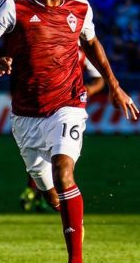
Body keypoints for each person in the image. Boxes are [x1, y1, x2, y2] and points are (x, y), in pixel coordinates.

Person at [0, 0, 139, 263]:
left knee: (64, 171)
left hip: (68, 104)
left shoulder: (81, 7)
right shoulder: (13, 6)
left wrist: (114, 85)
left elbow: (93, 44)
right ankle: (56, 204)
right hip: (26, 116)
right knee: (50, 193)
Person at [20, 46, 105, 213]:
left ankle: (43, 195)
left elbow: (99, 79)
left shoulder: (84, 49)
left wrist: (88, 90)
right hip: (41, 104)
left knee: (59, 156)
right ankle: (36, 191)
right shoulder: (48, 40)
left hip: (66, 108)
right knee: (38, 150)